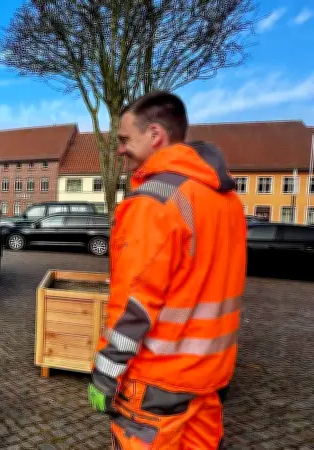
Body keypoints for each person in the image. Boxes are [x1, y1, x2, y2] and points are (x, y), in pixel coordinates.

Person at [88, 91, 246, 449]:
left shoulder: (153, 203)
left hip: (158, 378)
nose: (121, 150)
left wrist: (106, 372)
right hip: (210, 378)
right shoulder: (226, 201)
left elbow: (135, 303)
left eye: (126, 139)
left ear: (155, 134)